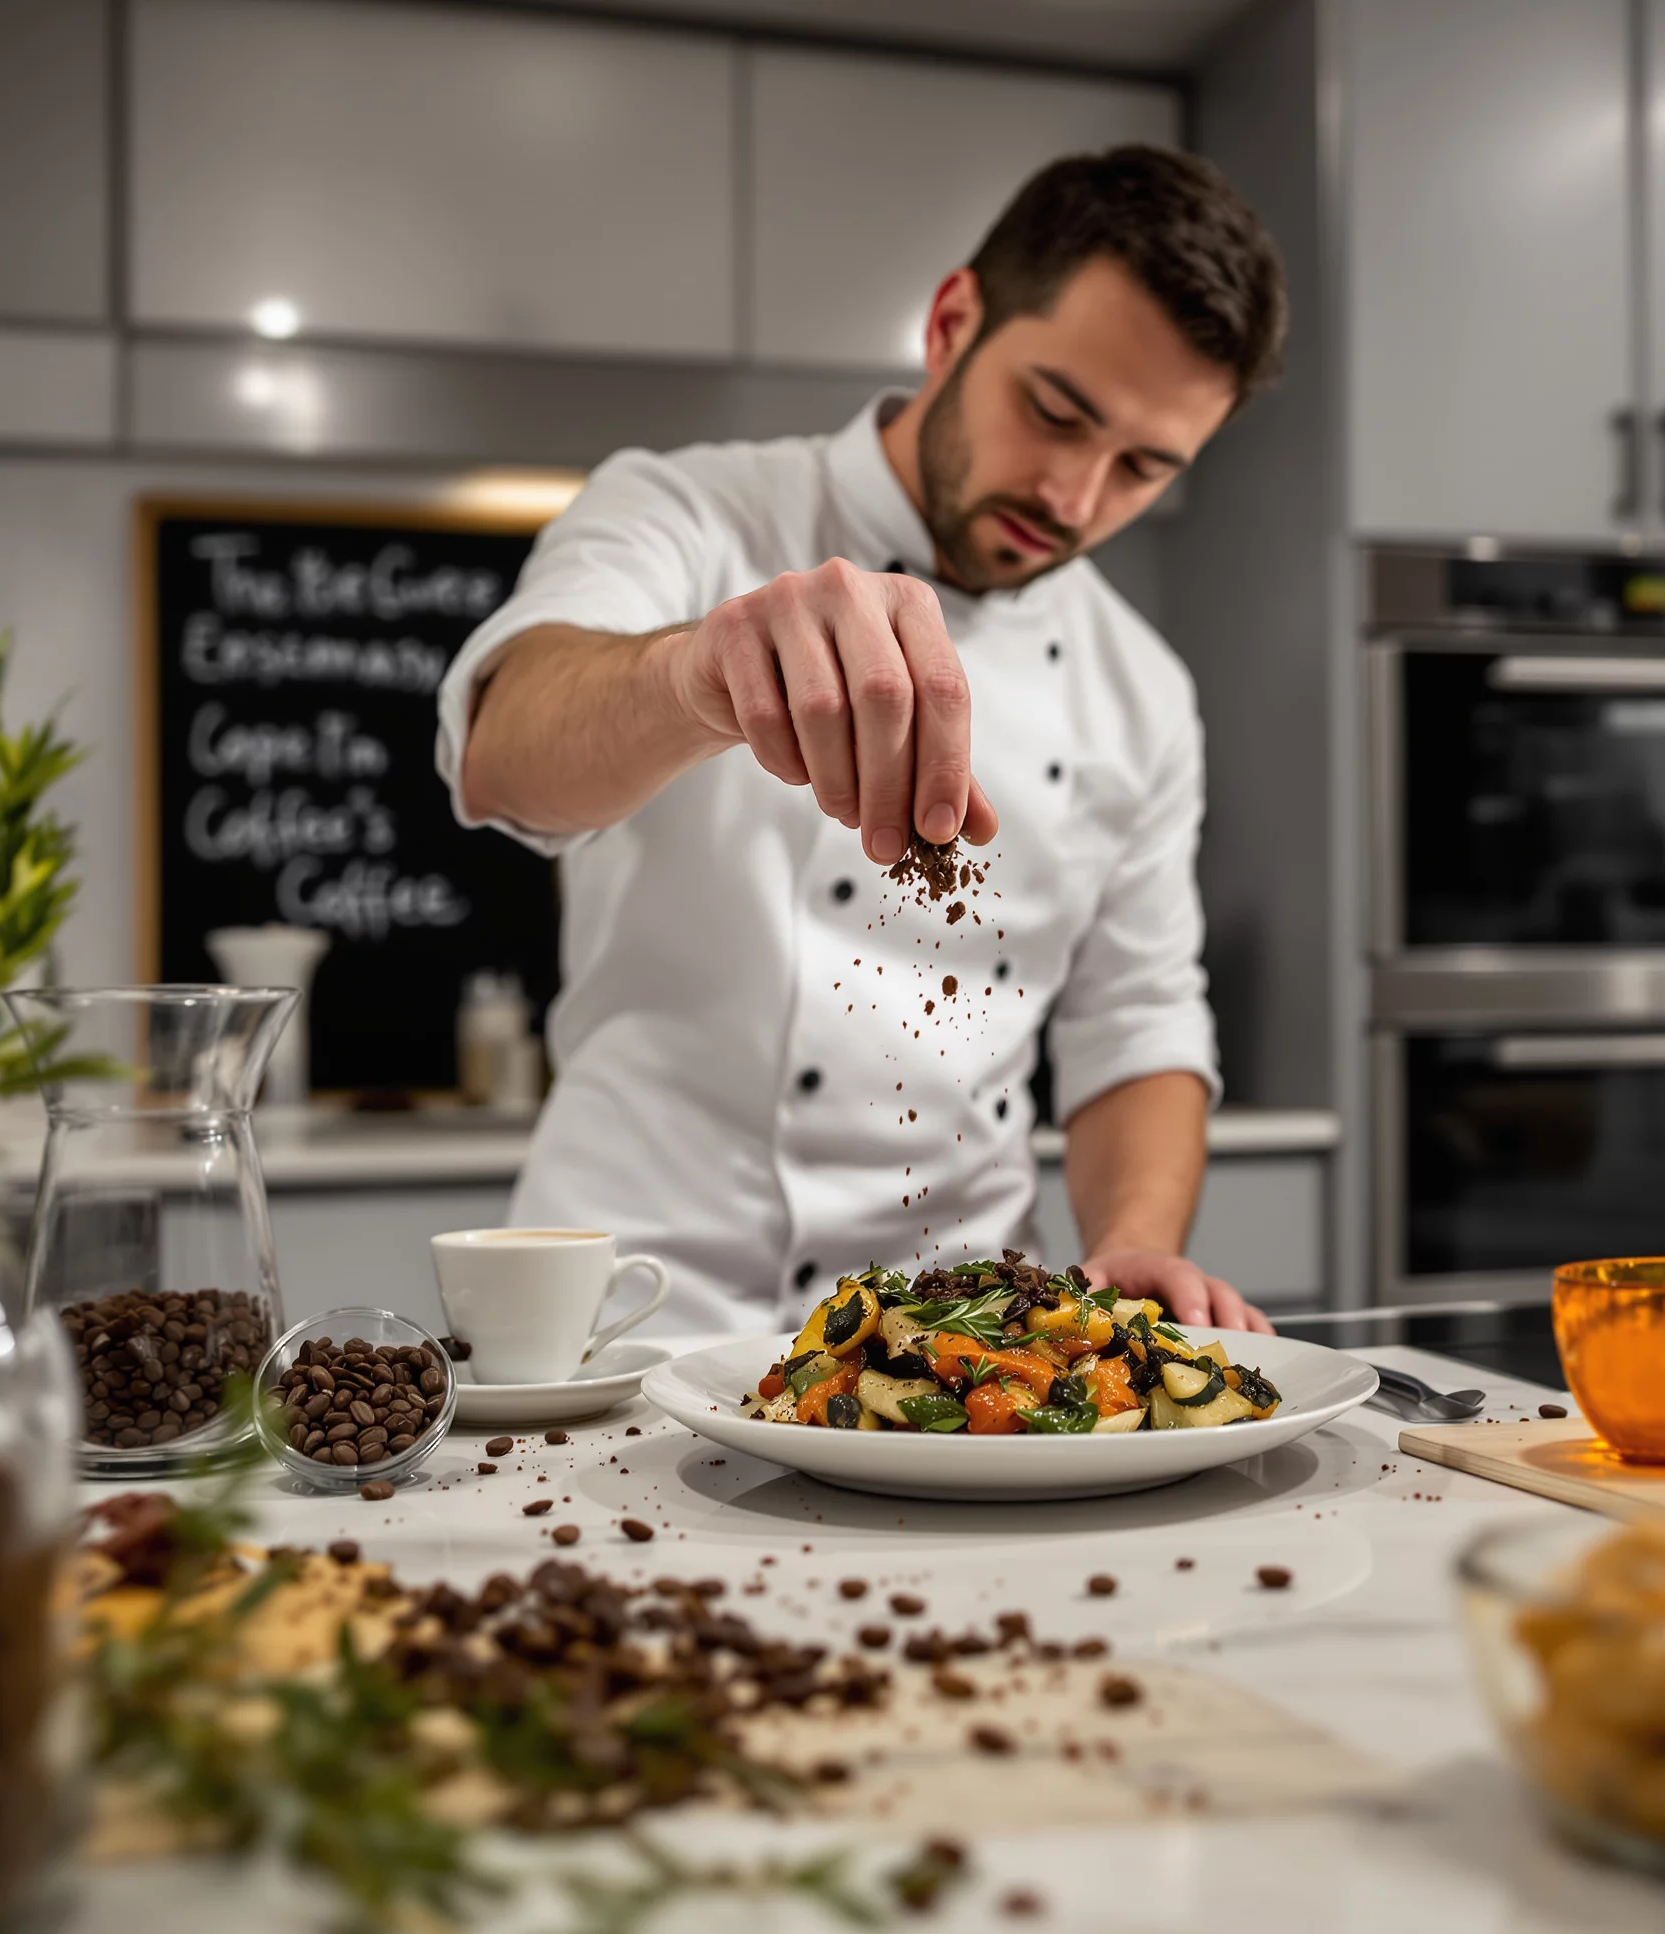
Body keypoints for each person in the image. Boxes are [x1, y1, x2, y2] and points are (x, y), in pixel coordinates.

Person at [439, 144, 1286, 1338]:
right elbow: (500, 748)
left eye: (1144, 466)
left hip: (967, 1338)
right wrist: (694, 670)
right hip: (629, 1313)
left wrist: (1136, 1241)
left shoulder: (1139, 687)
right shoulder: (687, 510)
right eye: (1053, 412)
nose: (1074, 496)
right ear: (952, 323)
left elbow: (1136, 1017)